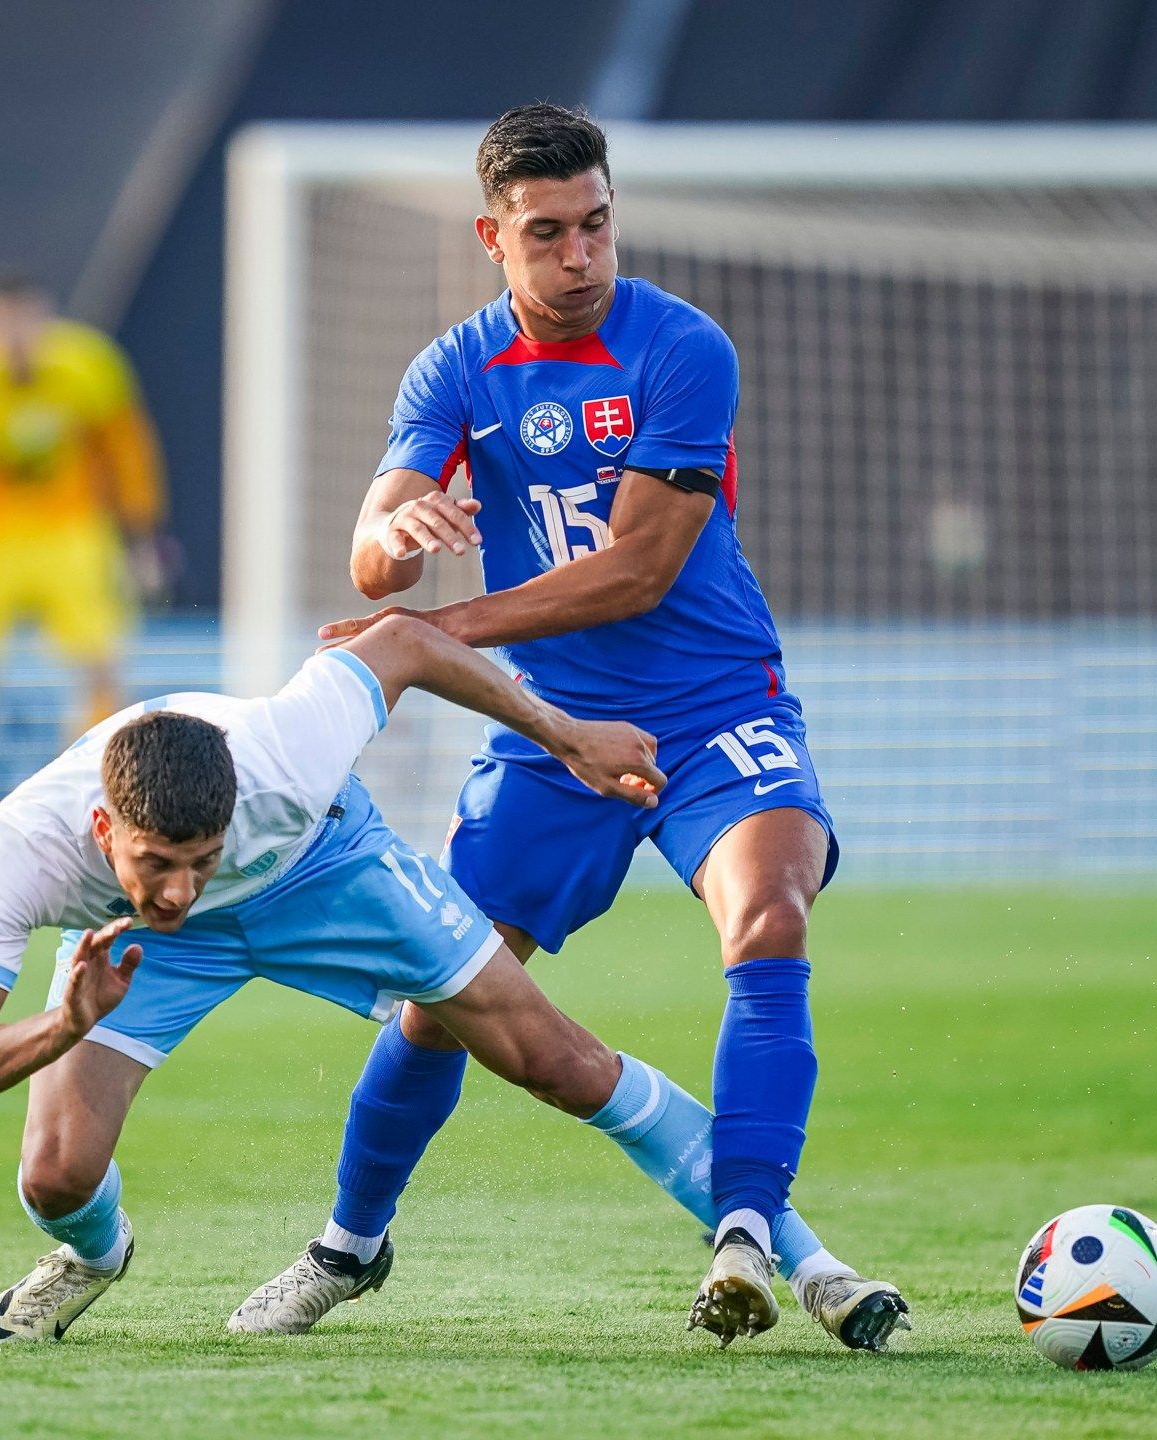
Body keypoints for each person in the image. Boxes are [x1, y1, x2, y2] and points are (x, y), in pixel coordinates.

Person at [258, 104, 910, 1351]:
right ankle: (348, 1244)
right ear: (491, 236)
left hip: (719, 706)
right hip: (549, 733)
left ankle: (746, 1233)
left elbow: (639, 571)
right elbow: (374, 551)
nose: (580, 255)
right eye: (548, 233)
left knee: (770, 915)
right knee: (442, 996)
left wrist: (448, 633)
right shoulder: (453, 370)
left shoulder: (681, 348)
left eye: (597, 225)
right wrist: (397, 538)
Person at [0, 613, 670, 1341]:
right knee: (56, 1177)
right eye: (156, 864)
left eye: (198, 861)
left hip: (318, 870)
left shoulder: (285, 754)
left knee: (555, 1061)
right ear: (106, 830)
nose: (178, 889)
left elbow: (403, 640)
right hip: (154, 948)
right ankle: (94, 1255)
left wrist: (567, 738)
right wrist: (62, 1028)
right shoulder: (23, 848)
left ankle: (766, 1232)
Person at [0, 271, 168, 845]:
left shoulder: (89, 365)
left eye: (23, 322)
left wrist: (142, 535)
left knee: (100, 665)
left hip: (72, 533)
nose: (13, 338)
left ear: (45, 318)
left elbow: (127, 453)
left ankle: (103, 805)